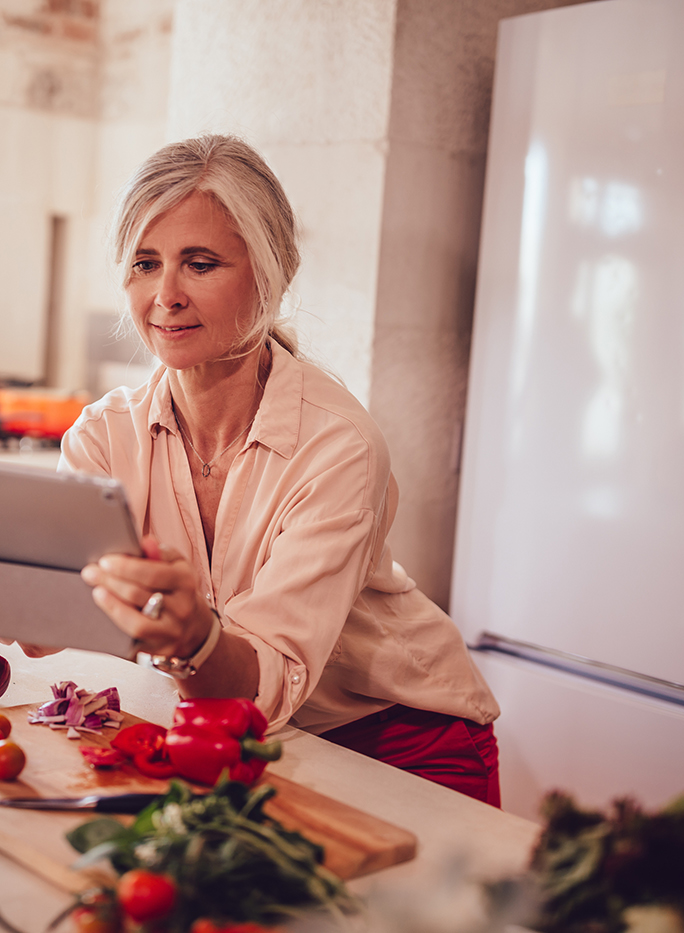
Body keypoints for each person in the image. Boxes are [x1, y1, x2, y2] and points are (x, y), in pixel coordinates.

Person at [59, 135, 502, 806]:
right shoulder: (102, 436)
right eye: (145, 262)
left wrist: (194, 640)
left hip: (400, 742)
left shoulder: (339, 445)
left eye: (200, 263)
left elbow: (268, 679)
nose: (166, 294)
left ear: (272, 275)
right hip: (239, 731)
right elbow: (57, 614)